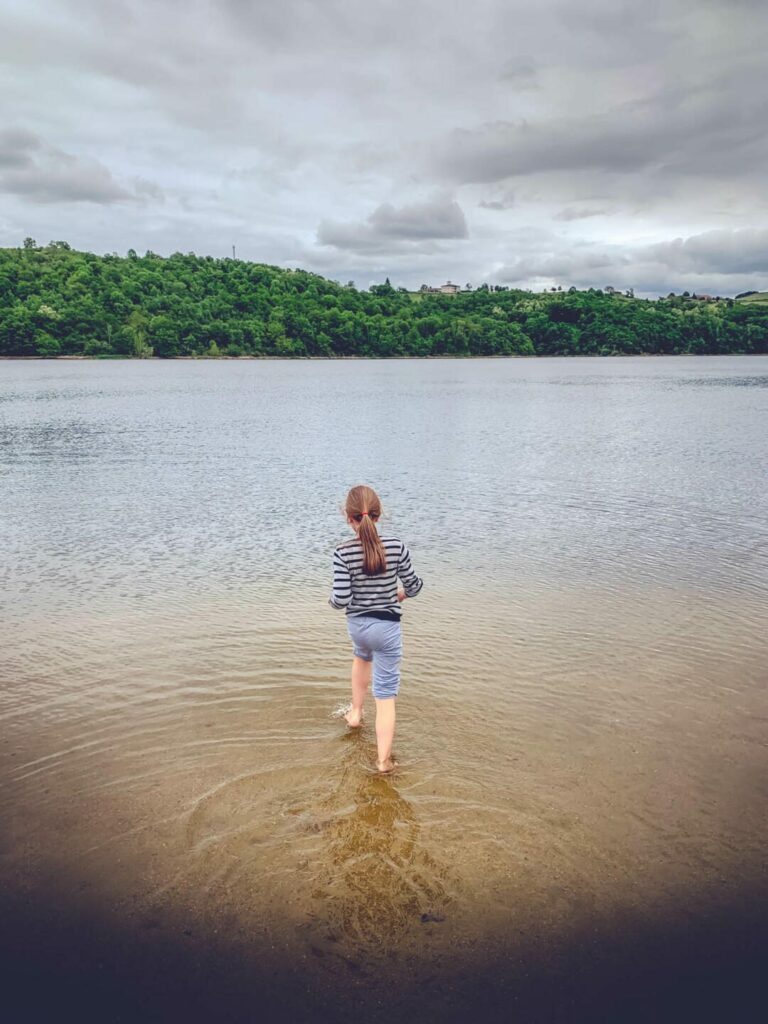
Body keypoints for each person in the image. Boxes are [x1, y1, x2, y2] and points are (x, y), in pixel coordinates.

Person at [329, 485, 423, 774]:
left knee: (361, 656)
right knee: (385, 697)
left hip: (358, 626)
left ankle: (355, 715)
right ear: (378, 516)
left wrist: (332, 601)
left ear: (348, 517)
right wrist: (401, 595)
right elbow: (415, 586)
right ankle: (383, 762)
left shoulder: (342, 552)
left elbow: (341, 599)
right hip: (387, 628)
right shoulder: (396, 546)